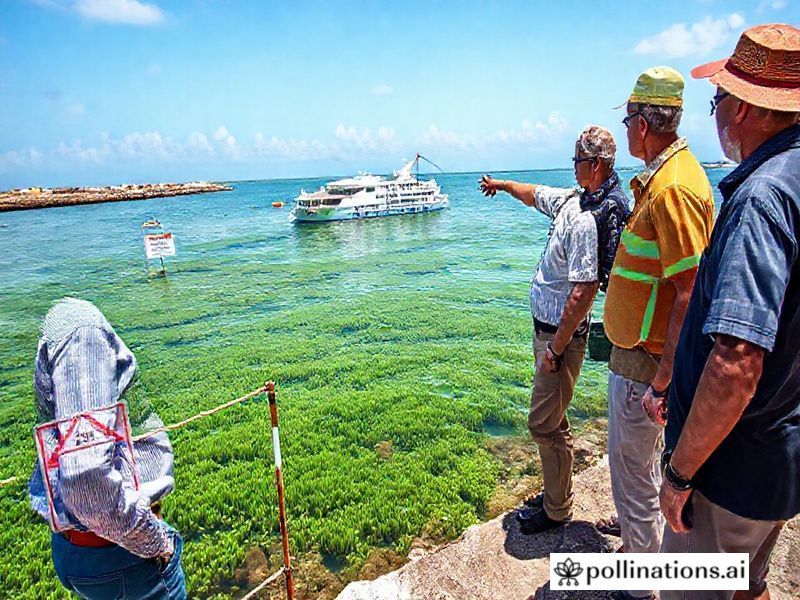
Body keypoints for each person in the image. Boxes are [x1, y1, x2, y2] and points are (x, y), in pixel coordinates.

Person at [659, 24, 800, 600]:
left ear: (742, 109)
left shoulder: (760, 200)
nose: (713, 113)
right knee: (748, 585)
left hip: (731, 470)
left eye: (716, 100)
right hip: (780, 458)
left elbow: (737, 360)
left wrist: (678, 474)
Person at [480, 125, 629, 534]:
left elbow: (583, 292)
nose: (573, 167)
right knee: (554, 417)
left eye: (577, 161)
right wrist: (504, 184)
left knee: (542, 423)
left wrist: (555, 350)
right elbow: (533, 194)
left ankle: (557, 509)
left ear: (595, 164)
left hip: (559, 339)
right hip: (547, 334)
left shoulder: (585, 221)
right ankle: (557, 492)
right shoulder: (570, 200)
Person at [602, 66, 715, 600]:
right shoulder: (667, 177)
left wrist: (663, 381)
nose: (625, 131)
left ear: (644, 124)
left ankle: (640, 585)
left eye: (627, 120)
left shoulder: (672, 189)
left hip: (647, 367)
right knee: (639, 467)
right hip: (640, 359)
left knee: (630, 472)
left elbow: (691, 292)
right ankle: (642, 555)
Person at [28, 297, 187, 599]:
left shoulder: (66, 323)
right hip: (123, 554)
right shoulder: (83, 331)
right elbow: (87, 478)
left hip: (92, 549)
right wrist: (156, 542)